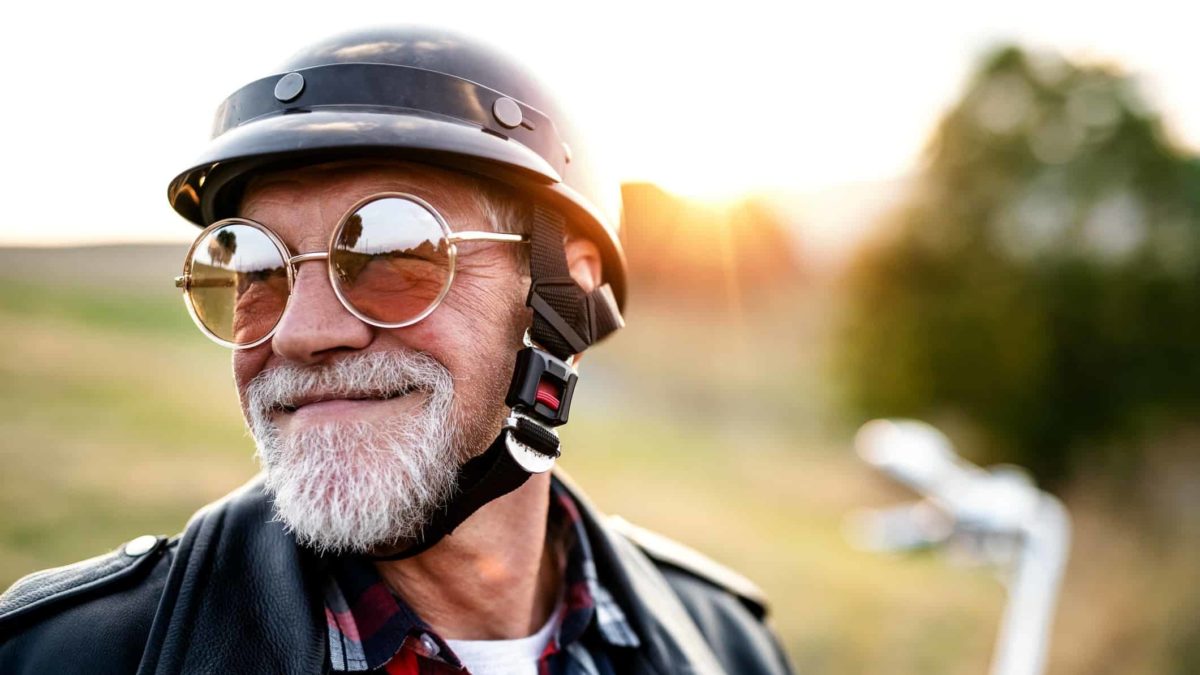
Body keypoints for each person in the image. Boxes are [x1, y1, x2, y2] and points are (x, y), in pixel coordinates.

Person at [0, 26, 794, 675]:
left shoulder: (728, 643)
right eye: (253, 265)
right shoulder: (58, 655)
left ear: (564, 295)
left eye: (391, 249)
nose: (302, 332)